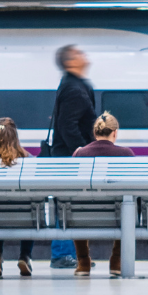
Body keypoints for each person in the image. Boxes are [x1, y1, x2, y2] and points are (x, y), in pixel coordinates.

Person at [49, 45, 96, 270]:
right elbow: (67, 126)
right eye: (80, 53)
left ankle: (75, 254)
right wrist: (83, 152)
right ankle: (62, 253)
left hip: (67, 156)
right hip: (69, 159)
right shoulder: (74, 89)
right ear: (70, 62)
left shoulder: (72, 85)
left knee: (71, 205)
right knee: (67, 204)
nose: (84, 55)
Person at [72, 112, 134, 278]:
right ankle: (116, 261)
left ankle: (83, 262)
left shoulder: (79, 153)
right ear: (115, 133)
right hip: (117, 215)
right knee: (128, 207)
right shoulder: (126, 154)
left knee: (76, 205)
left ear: (95, 133)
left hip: (82, 215)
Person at [0, 117, 34, 277]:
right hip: (25, 218)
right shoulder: (29, 160)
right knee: (29, 209)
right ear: (16, 135)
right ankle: (25, 256)